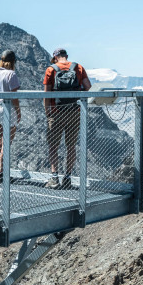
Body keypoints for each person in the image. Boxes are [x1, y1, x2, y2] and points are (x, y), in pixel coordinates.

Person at [42, 47, 91, 189]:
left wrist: (48, 112)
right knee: (71, 146)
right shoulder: (78, 68)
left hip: (56, 112)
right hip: (74, 111)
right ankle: (68, 178)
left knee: (53, 146)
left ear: (55, 57)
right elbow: (88, 86)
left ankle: (54, 178)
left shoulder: (51, 69)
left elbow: (46, 94)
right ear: (66, 56)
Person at [0, 49, 22, 182]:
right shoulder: (11, 74)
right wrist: (18, 112)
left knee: (1, 140)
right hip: (6, 109)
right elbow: (14, 97)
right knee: (6, 143)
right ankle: (3, 173)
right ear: (13, 62)